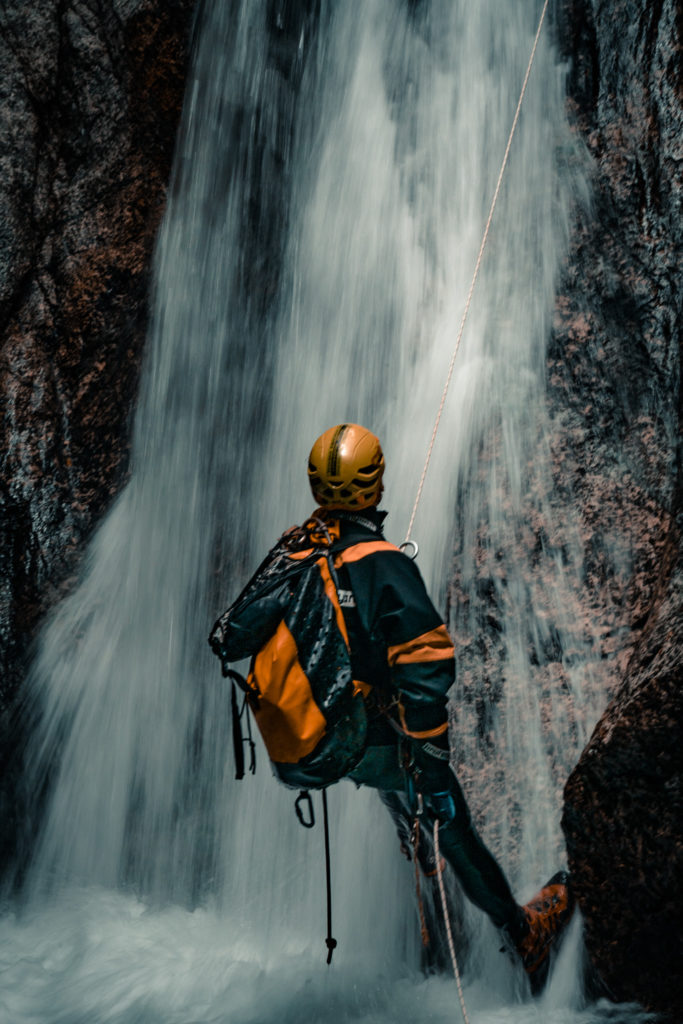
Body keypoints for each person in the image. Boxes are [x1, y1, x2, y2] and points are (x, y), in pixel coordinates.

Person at [303, 423, 573, 980]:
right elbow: (425, 665)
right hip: (379, 740)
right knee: (451, 825)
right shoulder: (381, 563)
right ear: (376, 483)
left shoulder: (305, 557)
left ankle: (429, 927)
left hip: (331, 738)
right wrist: (430, 752)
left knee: (407, 811)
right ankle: (525, 936)